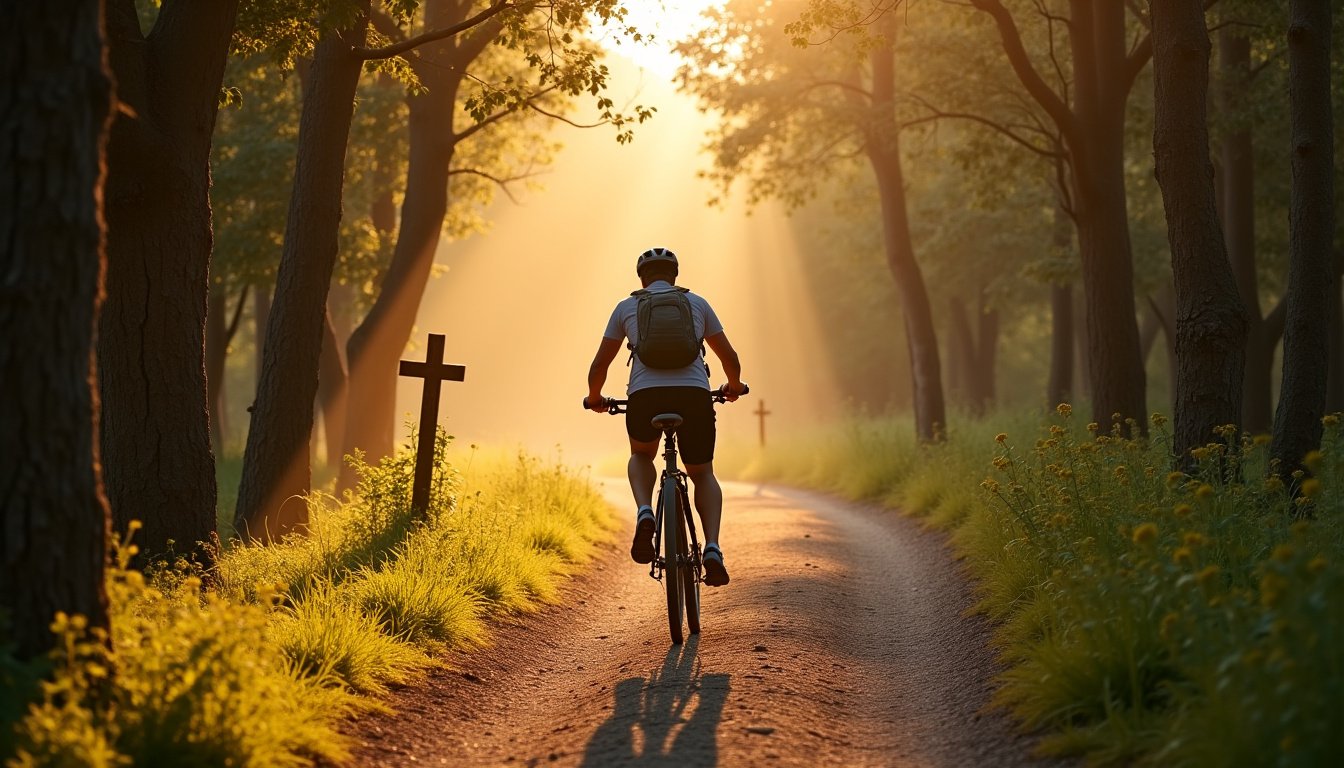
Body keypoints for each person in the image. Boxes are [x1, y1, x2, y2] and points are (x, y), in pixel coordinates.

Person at [585, 247, 746, 586]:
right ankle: (713, 547)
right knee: (702, 473)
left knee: (641, 454)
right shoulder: (697, 303)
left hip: (645, 396)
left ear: (641, 278)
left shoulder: (626, 307)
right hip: (694, 395)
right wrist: (733, 386)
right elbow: (729, 356)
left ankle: (645, 511)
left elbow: (600, 364)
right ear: (674, 275)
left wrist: (596, 397)